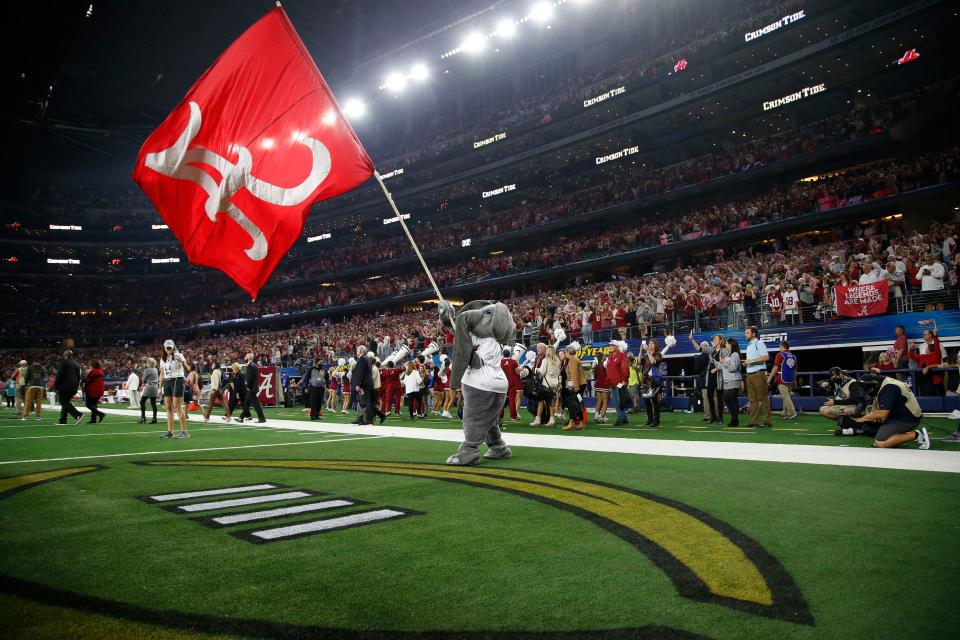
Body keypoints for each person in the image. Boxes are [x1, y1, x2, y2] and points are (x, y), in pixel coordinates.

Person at [849, 373, 929, 449]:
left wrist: (861, 419)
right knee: (872, 426)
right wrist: (872, 414)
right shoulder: (884, 382)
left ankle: (918, 434)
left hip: (908, 419)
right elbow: (876, 400)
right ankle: (895, 435)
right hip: (904, 413)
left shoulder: (889, 388)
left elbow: (883, 414)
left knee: (880, 442)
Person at [743, 326, 771, 428]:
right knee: (752, 399)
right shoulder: (749, 345)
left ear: (753, 334)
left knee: (763, 398)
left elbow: (766, 357)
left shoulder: (759, 343)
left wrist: (752, 361)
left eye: (747, 332)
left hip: (758, 374)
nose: (745, 334)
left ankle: (767, 421)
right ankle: (754, 421)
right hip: (750, 374)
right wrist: (747, 363)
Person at [159, 340, 188, 438]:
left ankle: (184, 432)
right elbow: (162, 374)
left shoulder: (179, 355)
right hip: (167, 381)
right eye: (167, 348)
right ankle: (170, 432)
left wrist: (182, 362)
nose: (168, 349)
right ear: (164, 348)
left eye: (170, 347)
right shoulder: (163, 359)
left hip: (177, 379)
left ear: (173, 347)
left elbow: (187, 368)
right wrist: (160, 387)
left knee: (177, 407)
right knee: (168, 407)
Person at [909, 326, 943, 396]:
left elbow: (936, 344)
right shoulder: (923, 356)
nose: (926, 348)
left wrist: (935, 335)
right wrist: (911, 349)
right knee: (923, 393)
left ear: (931, 349)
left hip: (933, 378)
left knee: (933, 395)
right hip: (922, 378)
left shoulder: (936, 354)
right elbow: (913, 356)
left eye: (928, 347)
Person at [533, 345, 561, 427]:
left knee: (541, 400)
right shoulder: (558, 360)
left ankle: (538, 419)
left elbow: (541, 372)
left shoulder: (545, 360)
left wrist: (536, 371)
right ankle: (551, 419)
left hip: (546, 383)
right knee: (551, 401)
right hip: (555, 383)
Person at [769, 341, 798, 420]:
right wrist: (794, 380)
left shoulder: (780, 354)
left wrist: (769, 378)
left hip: (782, 378)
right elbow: (795, 370)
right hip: (790, 379)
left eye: (780, 347)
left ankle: (792, 413)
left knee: (785, 397)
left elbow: (775, 367)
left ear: (782, 346)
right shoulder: (793, 356)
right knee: (787, 396)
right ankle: (785, 413)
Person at [561, 344, 586, 430]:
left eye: (565, 352)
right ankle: (581, 422)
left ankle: (572, 422)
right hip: (581, 384)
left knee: (572, 403)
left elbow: (574, 374)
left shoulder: (572, 360)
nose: (565, 354)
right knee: (578, 403)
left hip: (577, 385)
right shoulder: (575, 358)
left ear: (568, 352)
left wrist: (576, 387)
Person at [55, 350, 83, 425]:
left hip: (65, 386)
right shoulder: (77, 364)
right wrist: (76, 387)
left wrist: (55, 386)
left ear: (65, 355)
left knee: (63, 401)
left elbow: (59, 375)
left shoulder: (64, 362)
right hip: (73, 386)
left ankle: (78, 415)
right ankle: (63, 420)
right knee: (66, 402)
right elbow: (79, 377)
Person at [718, 338, 743, 427]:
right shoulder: (729, 355)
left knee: (732, 400)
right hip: (727, 380)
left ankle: (735, 420)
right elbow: (724, 366)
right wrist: (716, 363)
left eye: (727, 344)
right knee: (727, 399)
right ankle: (734, 418)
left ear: (731, 344)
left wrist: (724, 362)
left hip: (734, 379)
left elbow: (733, 368)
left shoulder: (735, 355)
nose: (726, 345)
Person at [238, 352, 267, 423]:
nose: (245, 357)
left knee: (255, 404)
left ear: (248, 357)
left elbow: (249, 378)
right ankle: (241, 418)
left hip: (251, 388)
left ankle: (262, 418)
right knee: (247, 403)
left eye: (246, 356)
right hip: (253, 387)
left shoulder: (250, 366)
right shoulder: (254, 365)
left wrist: (247, 386)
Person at [606, 341, 630, 426]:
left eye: (612, 345)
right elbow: (609, 371)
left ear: (617, 346)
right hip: (612, 383)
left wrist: (624, 380)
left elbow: (625, 368)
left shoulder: (622, 355)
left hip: (619, 383)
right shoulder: (610, 357)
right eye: (610, 345)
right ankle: (624, 418)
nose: (610, 346)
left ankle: (620, 418)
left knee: (620, 402)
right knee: (616, 402)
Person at [641, 339, 663, 427]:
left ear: (655, 345)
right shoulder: (646, 354)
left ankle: (656, 420)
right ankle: (650, 419)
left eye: (652, 344)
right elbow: (639, 362)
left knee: (654, 401)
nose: (650, 345)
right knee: (646, 400)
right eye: (649, 344)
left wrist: (648, 352)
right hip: (645, 380)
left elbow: (653, 362)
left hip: (654, 380)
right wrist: (641, 350)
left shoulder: (658, 354)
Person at [139, 357, 159, 424]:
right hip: (155, 386)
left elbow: (143, 380)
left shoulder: (147, 370)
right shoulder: (155, 369)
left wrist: (142, 384)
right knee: (153, 403)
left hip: (149, 386)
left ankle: (143, 417)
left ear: (149, 363)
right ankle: (154, 418)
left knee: (142, 402)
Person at [593, 351, 610, 423]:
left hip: (597, 383)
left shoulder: (595, 362)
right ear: (603, 356)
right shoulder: (606, 362)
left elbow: (594, 373)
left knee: (599, 400)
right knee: (605, 401)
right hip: (604, 384)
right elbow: (609, 373)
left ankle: (596, 415)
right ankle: (602, 416)